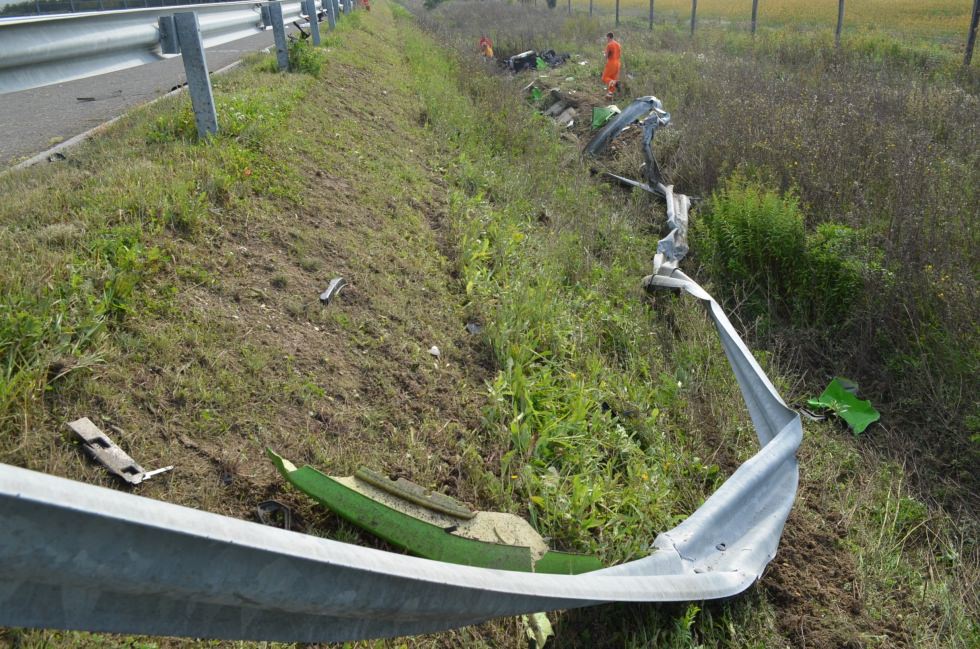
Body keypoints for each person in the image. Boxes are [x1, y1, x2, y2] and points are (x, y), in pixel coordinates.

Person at [602, 32, 621, 99]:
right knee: (612, 78)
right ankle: (610, 94)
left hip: (611, 63)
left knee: (604, 78)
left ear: (609, 37)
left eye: (606, 38)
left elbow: (606, 56)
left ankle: (616, 84)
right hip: (618, 63)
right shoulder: (618, 44)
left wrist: (604, 54)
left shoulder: (609, 45)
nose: (606, 39)